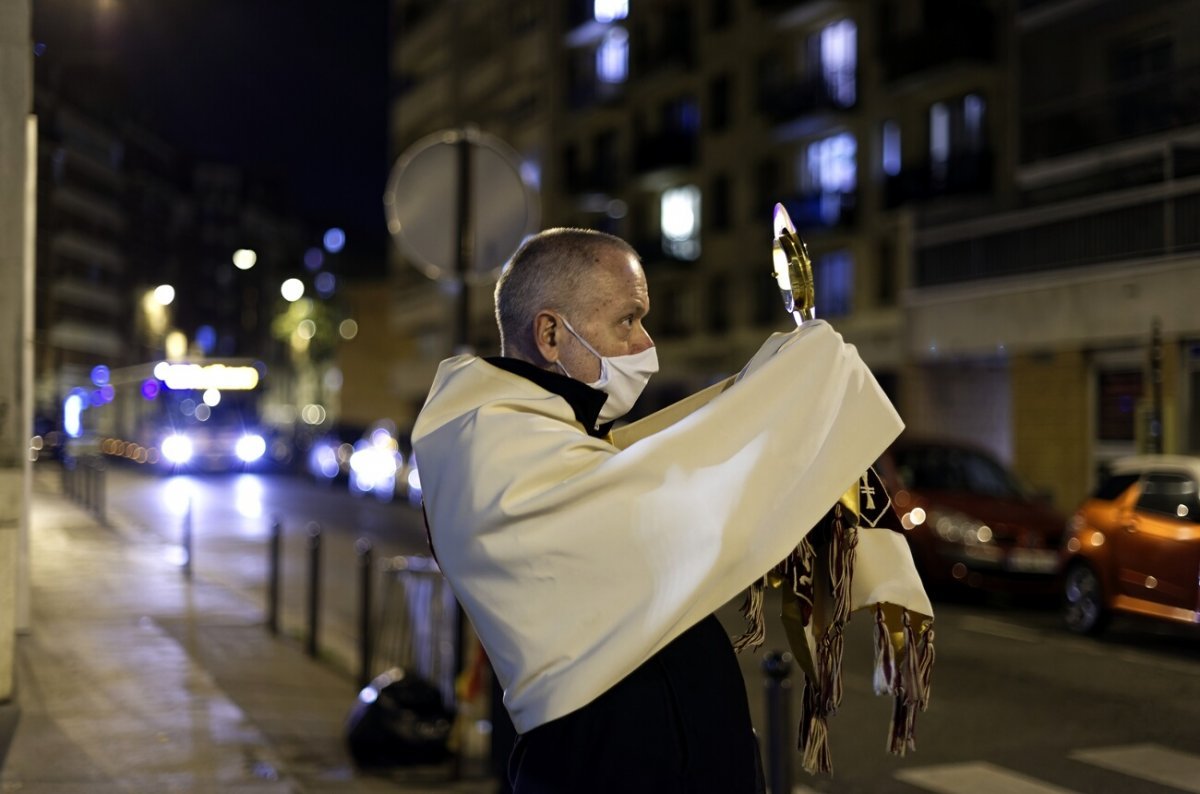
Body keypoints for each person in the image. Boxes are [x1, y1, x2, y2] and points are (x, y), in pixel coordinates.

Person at [412, 228, 915, 793]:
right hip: (606, 768)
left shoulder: (560, 438)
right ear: (550, 333)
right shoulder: (493, 445)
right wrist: (799, 392)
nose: (644, 343)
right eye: (627, 320)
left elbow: (656, 473)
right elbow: (671, 508)